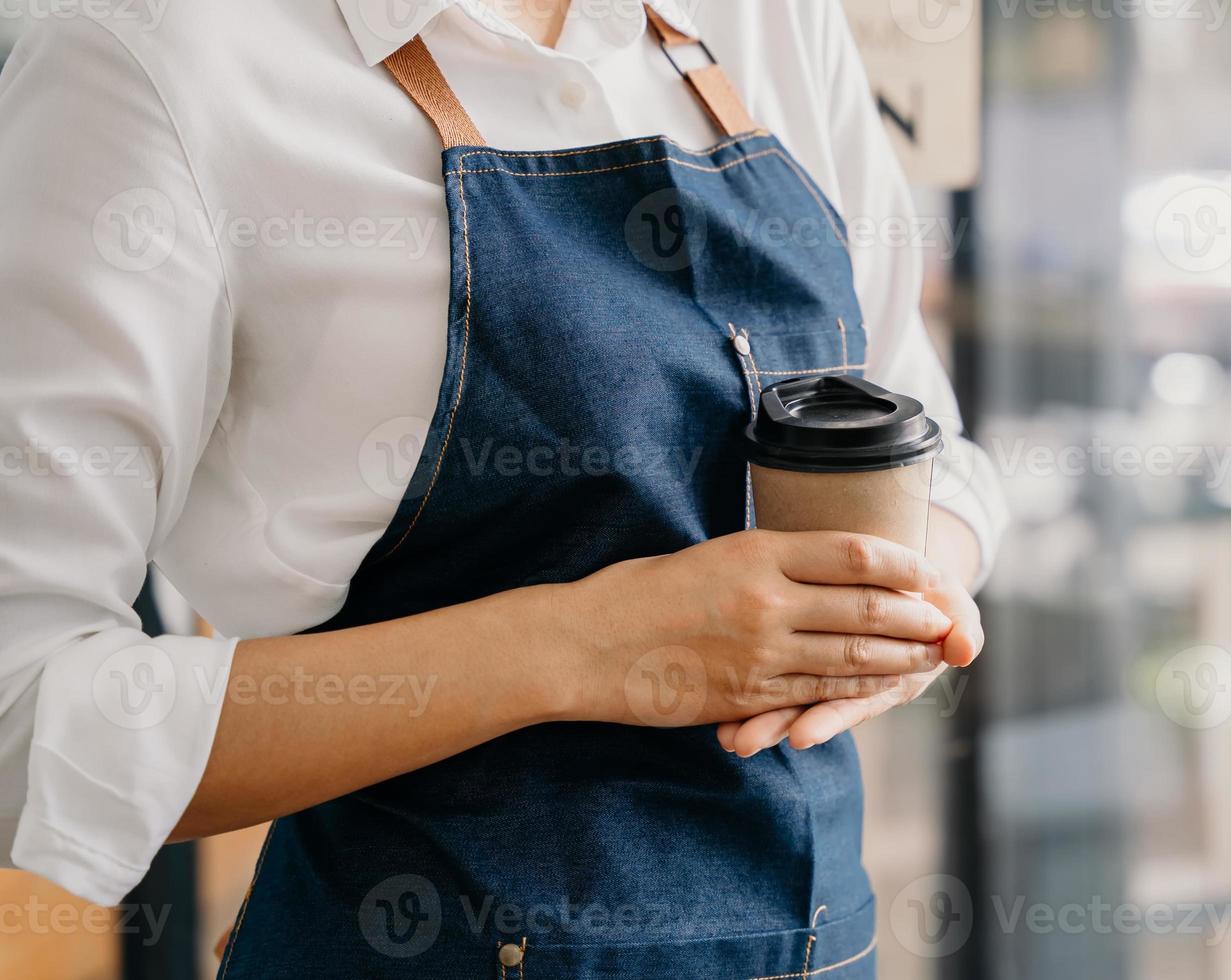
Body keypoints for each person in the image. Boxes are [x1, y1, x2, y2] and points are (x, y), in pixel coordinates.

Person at [0, 0, 1006, 975]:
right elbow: (26, 708)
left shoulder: (768, 16)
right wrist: (583, 644)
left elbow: (930, 440)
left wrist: (895, 596)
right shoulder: (147, 60)